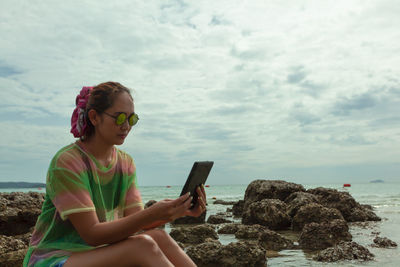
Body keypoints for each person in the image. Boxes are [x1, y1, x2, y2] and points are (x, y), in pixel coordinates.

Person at [23, 82, 206, 267]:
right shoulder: (68, 162)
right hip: (54, 258)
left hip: (95, 253)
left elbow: (136, 221)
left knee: (159, 236)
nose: (126, 126)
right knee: (142, 246)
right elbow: (92, 234)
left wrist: (175, 211)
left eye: (131, 119)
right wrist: (152, 213)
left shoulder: (125, 163)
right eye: (119, 118)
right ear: (94, 117)